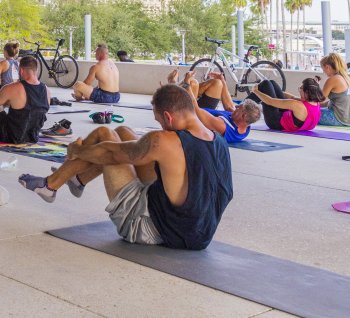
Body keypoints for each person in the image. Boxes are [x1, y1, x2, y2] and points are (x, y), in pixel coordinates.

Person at [19, 84, 233, 250]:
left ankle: (53, 185)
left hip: (153, 229)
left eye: (159, 121)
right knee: (123, 132)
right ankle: (75, 180)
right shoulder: (219, 142)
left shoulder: (166, 140)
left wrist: (77, 151)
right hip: (198, 231)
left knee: (105, 137)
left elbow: (112, 154)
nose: (161, 126)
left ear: (168, 116)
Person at [0, 55, 50, 143]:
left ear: (21, 70)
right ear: (36, 70)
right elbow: (31, 110)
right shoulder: (47, 90)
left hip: (9, 136)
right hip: (32, 137)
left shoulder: (14, 88)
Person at [250, 77, 323, 132]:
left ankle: (244, 105)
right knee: (272, 83)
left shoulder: (297, 105)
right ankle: (245, 104)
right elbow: (292, 97)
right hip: (288, 118)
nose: (299, 90)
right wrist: (273, 90)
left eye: (300, 89)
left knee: (265, 84)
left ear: (307, 92)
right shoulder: (315, 103)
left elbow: (270, 101)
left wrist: (255, 91)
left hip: (274, 122)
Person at [168, 67, 235, 112]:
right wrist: (222, 80)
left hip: (195, 119)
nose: (240, 107)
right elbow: (230, 107)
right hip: (205, 112)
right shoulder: (239, 114)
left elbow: (230, 108)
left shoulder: (233, 125)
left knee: (193, 83)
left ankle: (173, 85)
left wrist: (186, 82)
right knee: (218, 82)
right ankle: (175, 85)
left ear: (243, 115)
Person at [317, 54, 350, 127]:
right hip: (349, 120)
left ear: (327, 67)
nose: (323, 72)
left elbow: (319, 99)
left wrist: (315, 86)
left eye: (323, 69)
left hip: (337, 119)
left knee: (303, 112)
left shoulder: (334, 79)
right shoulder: (348, 79)